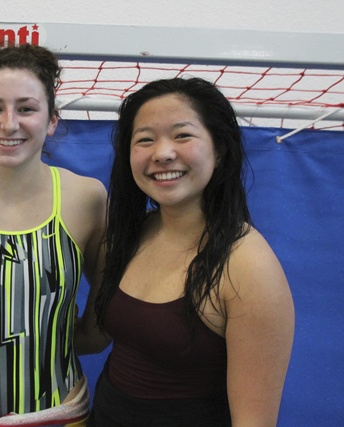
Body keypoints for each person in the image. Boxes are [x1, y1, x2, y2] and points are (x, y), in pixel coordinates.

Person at [76, 77, 295, 426]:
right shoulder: (132, 234)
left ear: (219, 149)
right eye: (145, 139)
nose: (162, 153)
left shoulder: (248, 267)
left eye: (182, 135)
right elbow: (95, 336)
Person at [0, 43, 107, 426]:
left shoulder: (86, 197)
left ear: (52, 119)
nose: (9, 123)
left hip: (58, 412)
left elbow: (104, 317)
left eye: (26, 108)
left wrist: (46, 334)